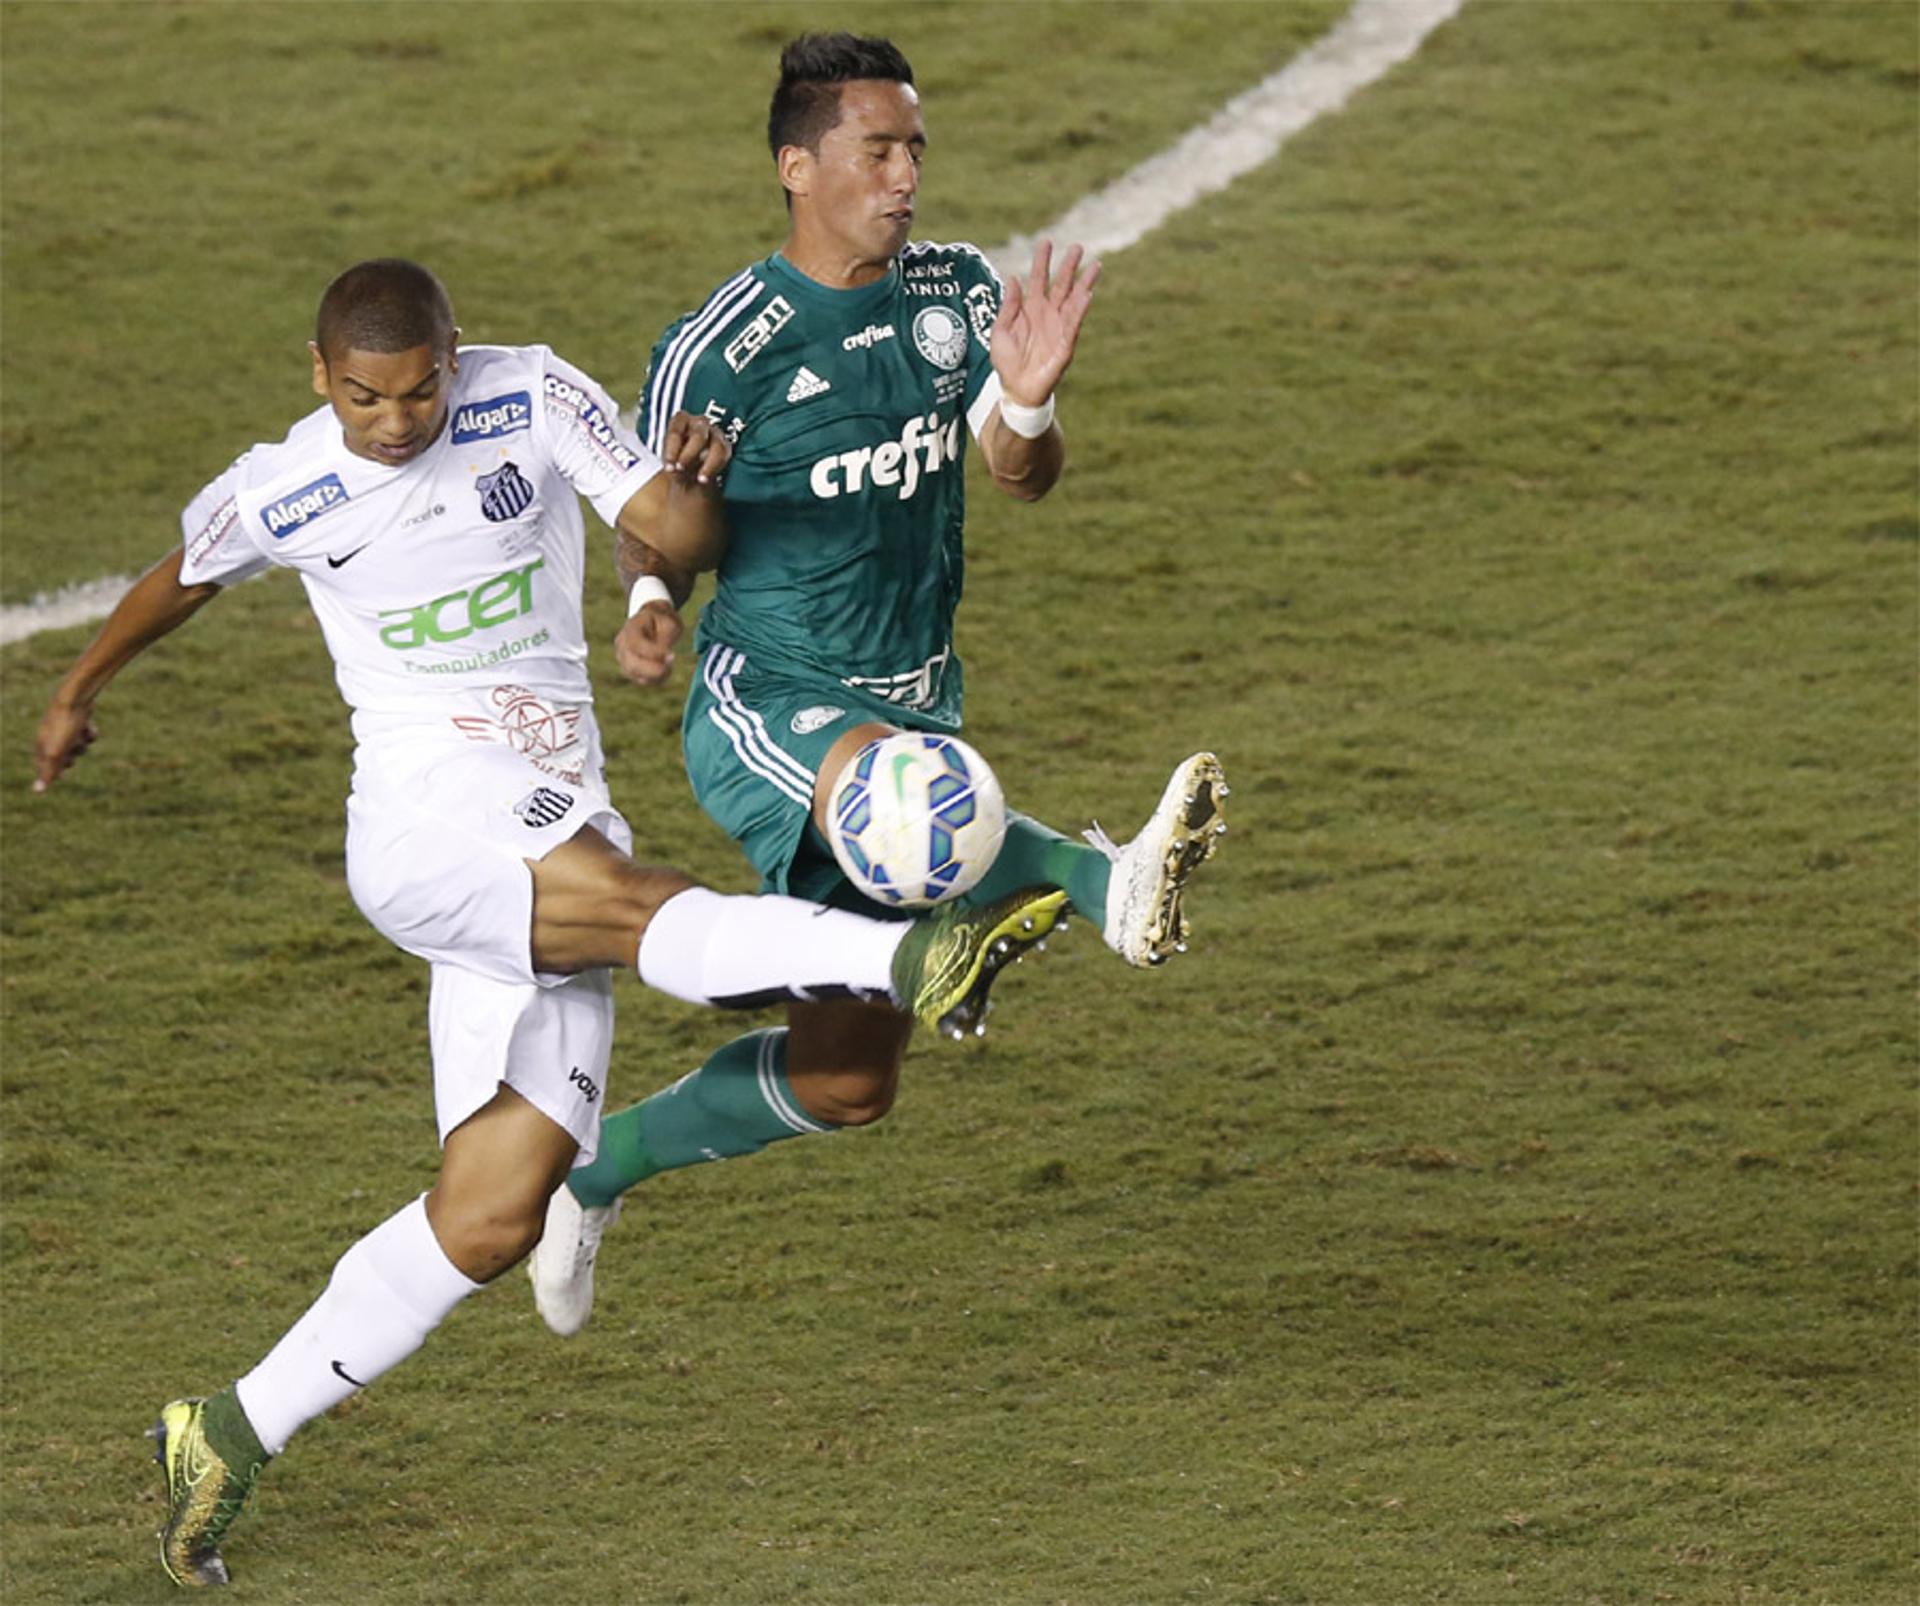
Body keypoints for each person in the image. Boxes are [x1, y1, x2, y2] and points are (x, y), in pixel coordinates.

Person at [29, 258, 1067, 1588]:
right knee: (629, 910)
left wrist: (684, 502)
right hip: (430, 815)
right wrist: (80, 685)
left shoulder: (529, 397)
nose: (395, 422)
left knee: (493, 1212)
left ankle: (225, 1428)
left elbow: (670, 535)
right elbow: (190, 569)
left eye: (415, 392)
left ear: (454, 362)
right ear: (318, 376)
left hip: (548, 811)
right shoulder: (287, 481)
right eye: (363, 398)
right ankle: (910, 954)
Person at [524, 34, 1228, 1337]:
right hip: (768, 696)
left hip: (909, 692)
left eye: (914, 149)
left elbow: (1023, 477)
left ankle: (597, 1168)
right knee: (921, 800)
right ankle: (1097, 883)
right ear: (800, 167)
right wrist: (647, 606)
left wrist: (1023, 406)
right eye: (876, 150)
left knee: (846, 1083)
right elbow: (661, 519)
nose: (905, 175)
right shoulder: (722, 349)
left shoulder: (955, 293)